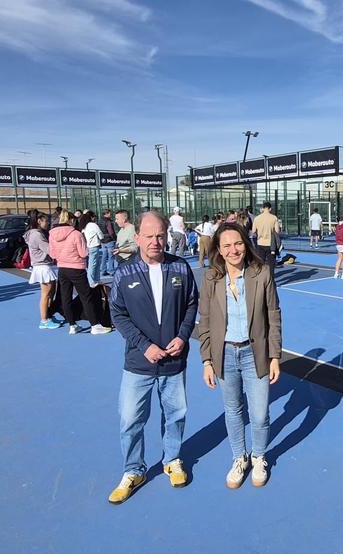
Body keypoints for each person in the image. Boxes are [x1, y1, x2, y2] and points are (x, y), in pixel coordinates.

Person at [107, 211, 199, 504]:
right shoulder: (123, 273)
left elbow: (191, 305)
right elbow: (117, 315)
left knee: (175, 415)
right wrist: (144, 345)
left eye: (160, 235)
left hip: (174, 361)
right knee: (130, 419)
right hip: (139, 362)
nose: (156, 242)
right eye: (149, 236)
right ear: (137, 238)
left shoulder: (181, 268)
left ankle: (171, 459)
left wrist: (183, 336)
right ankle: (133, 470)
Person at [199, 222, 282, 488]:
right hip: (224, 354)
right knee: (233, 410)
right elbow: (206, 319)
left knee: (259, 414)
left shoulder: (262, 273)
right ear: (219, 250)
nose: (234, 249)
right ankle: (239, 458)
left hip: (253, 353)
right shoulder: (211, 278)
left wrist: (275, 356)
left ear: (246, 244)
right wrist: (207, 360)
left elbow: (273, 314)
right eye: (227, 245)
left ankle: (259, 456)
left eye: (238, 243)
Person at [49, 211, 112, 335]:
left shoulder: (52, 234)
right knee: (86, 297)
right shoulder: (76, 234)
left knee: (65, 297)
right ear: (71, 220)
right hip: (76, 268)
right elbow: (83, 253)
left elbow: (52, 254)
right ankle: (95, 325)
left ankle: (72, 325)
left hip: (62, 268)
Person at [25, 213, 61, 329]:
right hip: (42, 266)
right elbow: (48, 249)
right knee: (46, 294)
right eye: (46, 221)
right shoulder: (36, 234)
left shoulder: (38, 233)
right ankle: (44, 320)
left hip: (45, 265)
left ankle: (48, 315)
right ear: (39, 221)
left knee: (51, 293)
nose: (48, 223)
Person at [80, 211, 106, 286]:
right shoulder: (92, 225)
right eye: (94, 216)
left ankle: (95, 280)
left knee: (94, 264)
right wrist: (101, 238)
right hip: (94, 246)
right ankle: (92, 281)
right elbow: (100, 233)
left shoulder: (84, 226)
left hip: (88, 247)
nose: (94, 218)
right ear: (91, 217)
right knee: (94, 264)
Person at [252, 202, 280, 267]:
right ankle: (271, 277)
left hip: (260, 243)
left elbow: (253, 231)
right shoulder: (274, 218)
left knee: (260, 264)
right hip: (270, 244)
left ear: (263, 208)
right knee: (271, 264)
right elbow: (277, 231)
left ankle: (261, 276)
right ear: (270, 209)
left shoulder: (257, 218)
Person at [100, 209, 119, 276]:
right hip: (109, 240)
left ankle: (103, 270)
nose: (111, 215)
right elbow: (111, 232)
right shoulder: (108, 221)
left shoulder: (100, 221)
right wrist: (115, 238)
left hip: (103, 240)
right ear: (107, 213)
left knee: (104, 256)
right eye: (110, 213)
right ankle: (111, 271)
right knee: (111, 256)